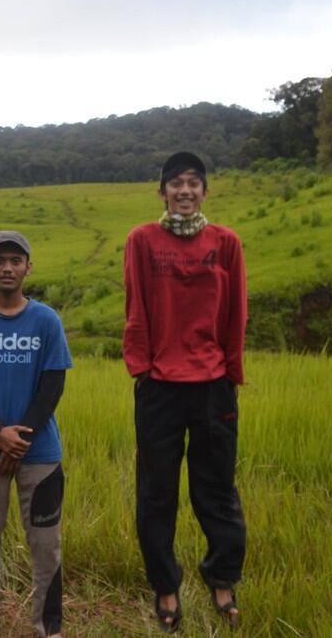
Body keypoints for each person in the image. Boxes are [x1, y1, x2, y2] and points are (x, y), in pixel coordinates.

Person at [123, 151, 247, 631]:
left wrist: (231, 372)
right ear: (162, 192)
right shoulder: (142, 241)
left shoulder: (226, 243)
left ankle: (222, 577)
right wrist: (142, 368)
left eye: (194, 182)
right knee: (157, 492)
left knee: (216, 489)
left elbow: (236, 311)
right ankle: (166, 585)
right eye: (176, 183)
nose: (185, 191)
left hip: (214, 385)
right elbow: (136, 306)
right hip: (160, 387)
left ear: (205, 192)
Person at [0, 230, 72, 638]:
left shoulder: (46, 320)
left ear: (27, 268)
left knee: (46, 548)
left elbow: (52, 385)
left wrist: (19, 438)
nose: (7, 267)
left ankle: (48, 628)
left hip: (40, 456)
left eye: (15, 260)